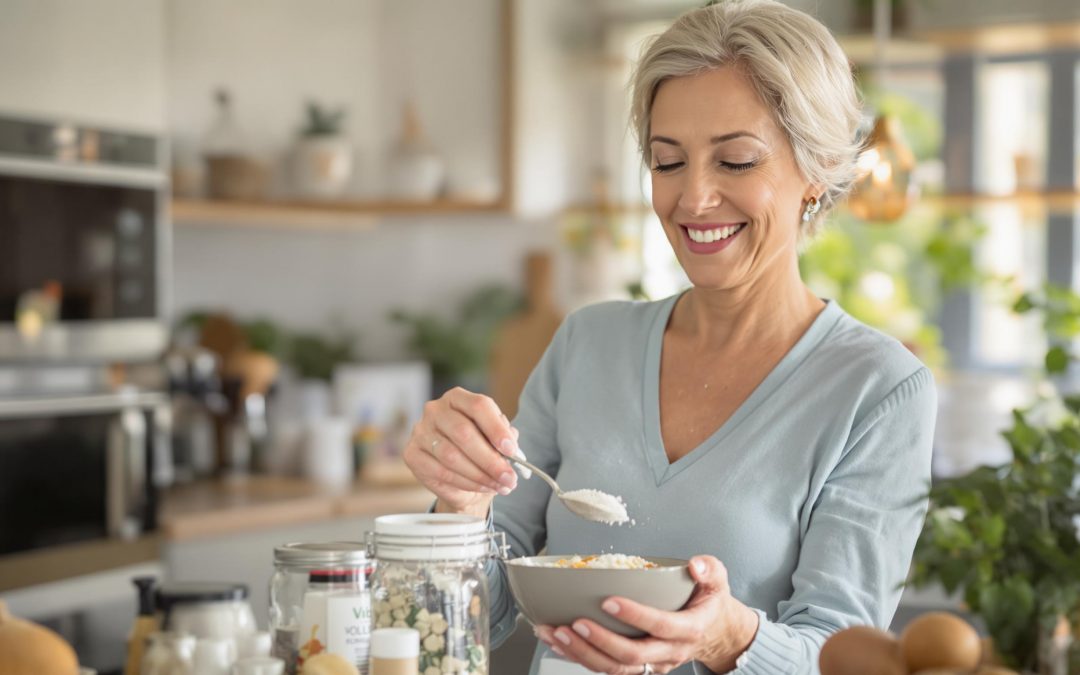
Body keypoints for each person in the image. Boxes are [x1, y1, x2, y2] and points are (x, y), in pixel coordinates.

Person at [402, 1, 937, 673]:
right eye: (667, 161)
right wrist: (461, 502)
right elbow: (472, 620)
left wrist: (728, 637)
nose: (693, 199)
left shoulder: (878, 388)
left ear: (818, 169)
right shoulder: (587, 344)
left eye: (736, 161)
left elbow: (844, 656)